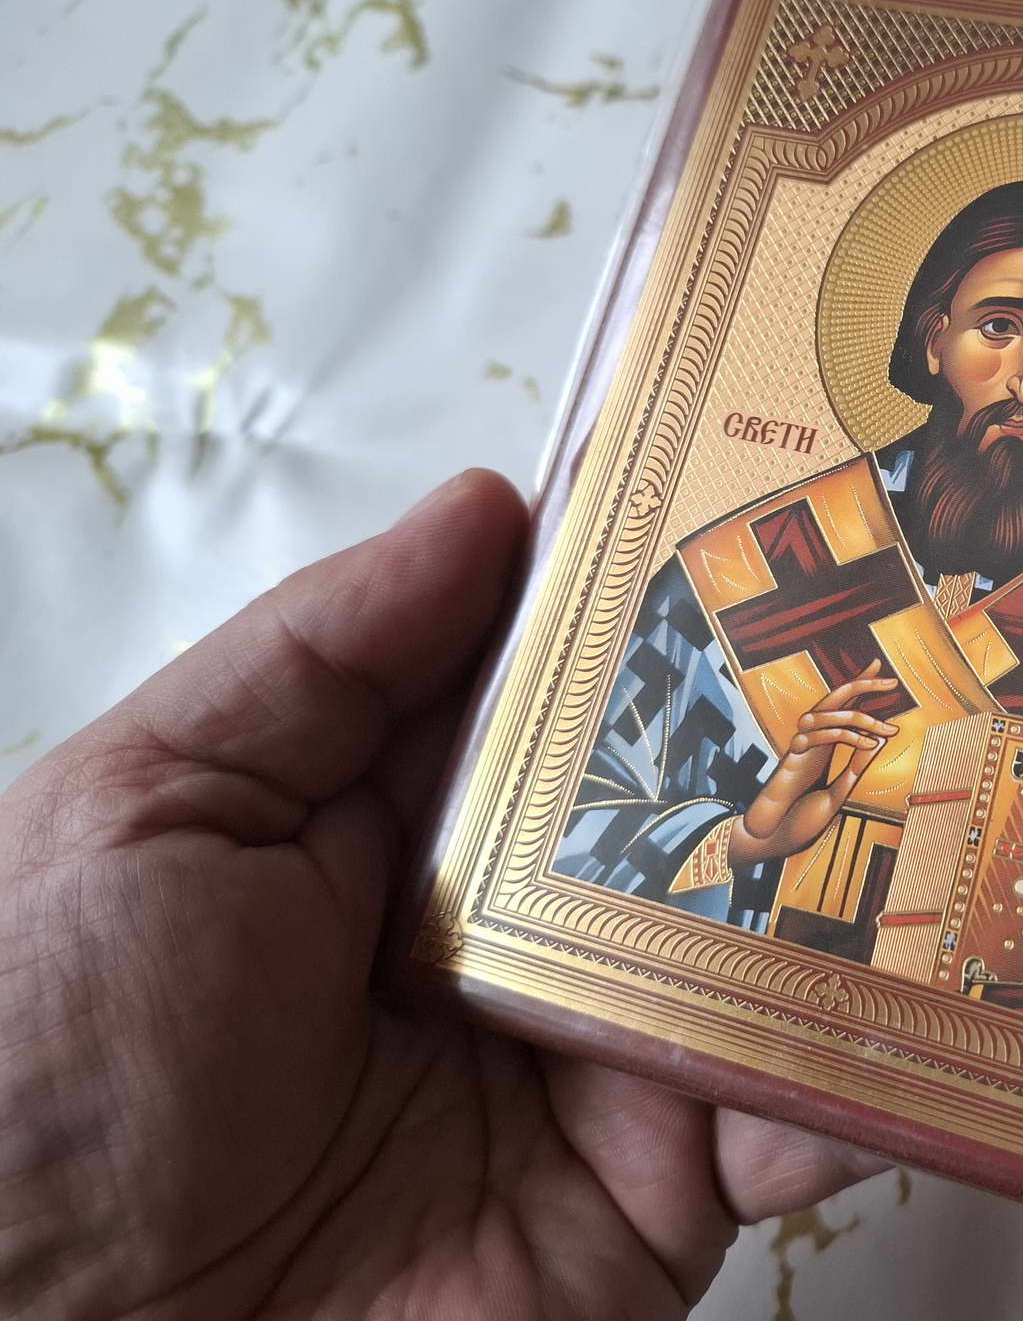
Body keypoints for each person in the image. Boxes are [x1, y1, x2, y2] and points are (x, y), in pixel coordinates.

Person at [0, 469, 885, 1319]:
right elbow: (576, 809)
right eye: (984, 340)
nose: (1016, 384)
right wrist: (735, 840)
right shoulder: (749, 566)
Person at [559, 181, 1023, 1025]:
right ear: (934, 338)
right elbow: (565, 835)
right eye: (998, 326)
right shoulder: (736, 577)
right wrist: (741, 840)